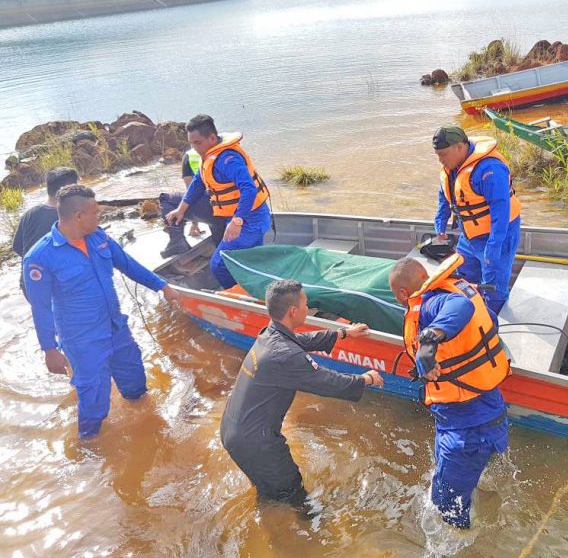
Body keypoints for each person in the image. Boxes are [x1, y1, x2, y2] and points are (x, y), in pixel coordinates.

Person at [23, 184, 181, 439]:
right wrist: (49, 350)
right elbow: (40, 307)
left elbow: (128, 264)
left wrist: (162, 286)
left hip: (116, 328)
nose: (100, 216)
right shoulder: (40, 257)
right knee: (94, 400)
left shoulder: (99, 238)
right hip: (82, 340)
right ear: (79, 216)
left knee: (136, 385)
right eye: (95, 212)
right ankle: (90, 446)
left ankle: (148, 433)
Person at [220, 279, 384, 507]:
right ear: (293, 311)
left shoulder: (270, 334)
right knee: (292, 493)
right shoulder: (286, 356)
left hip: (233, 429)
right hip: (256, 442)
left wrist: (344, 333)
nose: (308, 308)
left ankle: (269, 511)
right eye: (305, 304)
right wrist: (365, 379)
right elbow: (328, 382)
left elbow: (300, 341)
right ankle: (299, 527)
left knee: (270, 491)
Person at [389, 253, 510, 529]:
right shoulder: (454, 286)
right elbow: (490, 320)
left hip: (467, 428)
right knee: (457, 481)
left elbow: (460, 306)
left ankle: (462, 541)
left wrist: (429, 340)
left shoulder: (432, 304)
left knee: (446, 505)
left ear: (404, 293)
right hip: (487, 410)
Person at [165, 114, 272, 288]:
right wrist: (181, 209)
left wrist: (237, 221)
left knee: (219, 265)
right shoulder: (209, 156)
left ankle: (237, 296)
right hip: (242, 217)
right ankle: (251, 291)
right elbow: (197, 183)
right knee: (251, 260)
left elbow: (249, 188)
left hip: (251, 220)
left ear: (212, 138)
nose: (194, 148)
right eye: (191, 143)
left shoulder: (228, 159)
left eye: (198, 143)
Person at [432, 125, 522, 314]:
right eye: (438, 155)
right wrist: (440, 227)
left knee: (493, 287)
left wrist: (494, 246)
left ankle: (493, 321)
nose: (441, 160)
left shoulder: (489, 169)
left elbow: (501, 209)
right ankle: (472, 315)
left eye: (443, 154)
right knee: (465, 279)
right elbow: (444, 198)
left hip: (498, 234)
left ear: (459, 147)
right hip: (469, 235)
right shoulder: (450, 168)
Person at [12, 167, 79, 299]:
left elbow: (17, 247)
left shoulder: (29, 214)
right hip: (54, 286)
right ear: (68, 190)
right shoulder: (68, 217)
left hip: (29, 283)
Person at [158, 147, 225, 258]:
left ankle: (177, 241)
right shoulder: (227, 149)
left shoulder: (190, 156)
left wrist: (195, 223)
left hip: (213, 210)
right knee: (223, 242)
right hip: (235, 209)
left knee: (166, 199)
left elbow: (191, 193)